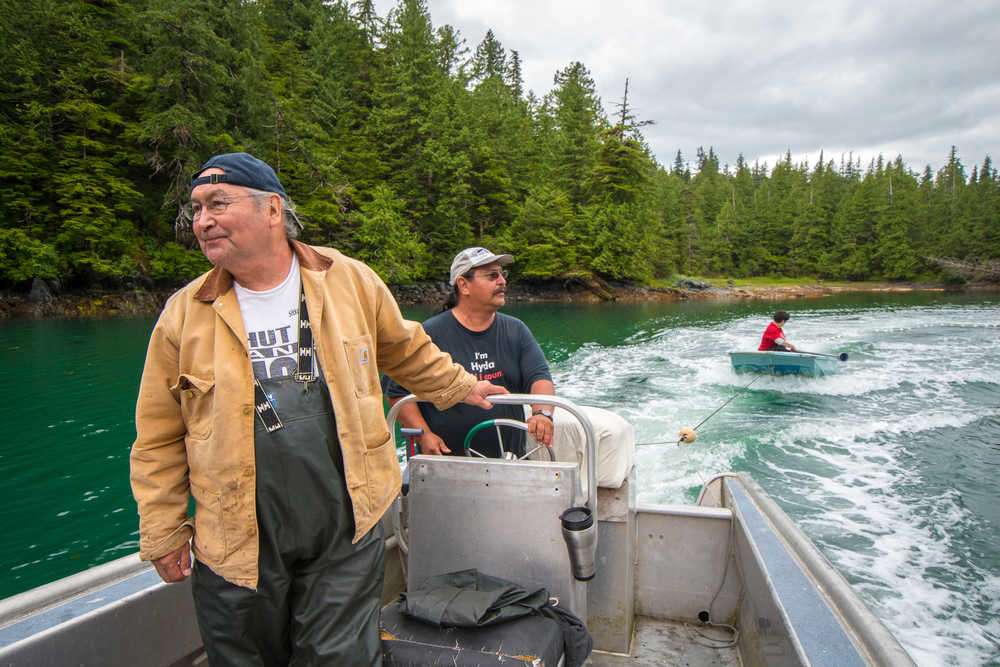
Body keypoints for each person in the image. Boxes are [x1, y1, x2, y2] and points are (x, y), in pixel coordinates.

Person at [129, 152, 506, 666]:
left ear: (272, 210)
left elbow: (405, 349)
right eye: (195, 209)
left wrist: (463, 388)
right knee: (244, 658)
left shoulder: (348, 279)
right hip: (235, 535)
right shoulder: (182, 314)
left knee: (341, 658)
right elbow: (157, 435)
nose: (202, 221)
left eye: (218, 203)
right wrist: (165, 530)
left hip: (346, 524)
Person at [383, 247, 555, 458]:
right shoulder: (429, 333)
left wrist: (542, 413)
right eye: (493, 275)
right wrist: (424, 435)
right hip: (445, 462)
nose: (502, 281)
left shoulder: (516, 330)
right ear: (464, 285)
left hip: (510, 459)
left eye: (502, 274)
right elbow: (396, 392)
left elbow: (539, 378)